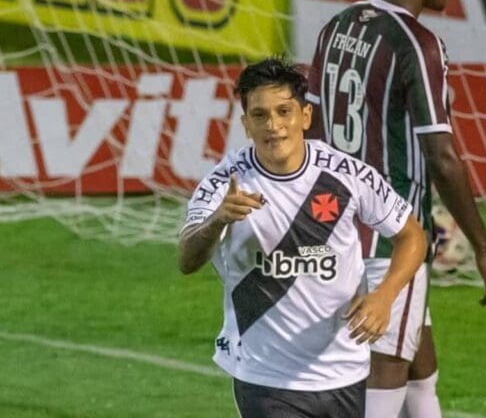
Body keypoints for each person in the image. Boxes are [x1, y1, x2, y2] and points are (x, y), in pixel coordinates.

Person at [305, 0, 486, 418]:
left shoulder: (338, 25)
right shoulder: (417, 44)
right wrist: (485, 250)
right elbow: (441, 155)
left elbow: (311, 129)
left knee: (421, 371)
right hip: (392, 238)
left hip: (335, 227)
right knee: (387, 369)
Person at [179, 58, 427, 417]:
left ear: (305, 116)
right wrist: (217, 221)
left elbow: (412, 236)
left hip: (344, 369)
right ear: (245, 124)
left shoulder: (347, 174)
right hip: (266, 377)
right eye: (260, 115)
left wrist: (385, 295)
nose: (274, 126)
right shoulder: (224, 183)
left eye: (284, 111)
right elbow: (187, 259)